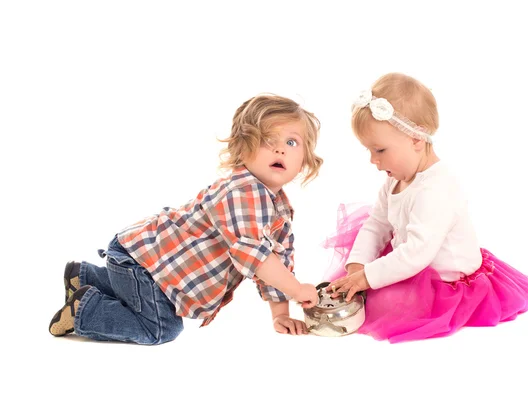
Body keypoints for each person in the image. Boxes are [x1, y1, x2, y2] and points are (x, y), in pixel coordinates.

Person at [49, 93, 323, 344]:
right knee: (161, 327)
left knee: (150, 301)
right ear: (243, 148)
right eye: (267, 141)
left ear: (305, 159)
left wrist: (280, 313)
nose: (280, 150)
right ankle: (85, 310)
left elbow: (277, 264)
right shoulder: (243, 193)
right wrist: (297, 289)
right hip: (143, 264)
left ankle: (86, 277)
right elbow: (255, 257)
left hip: (154, 270)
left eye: (291, 142)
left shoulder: (279, 209)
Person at [323, 73, 528, 344]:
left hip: (445, 282)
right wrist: (358, 266)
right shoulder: (395, 179)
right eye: (369, 151)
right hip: (413, 261)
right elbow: (376, 224)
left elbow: (416, 252)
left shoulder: (436, 188)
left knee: (386, 304)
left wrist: (368, 277)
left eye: (379, 150)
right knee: (360, 264)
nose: (373, 161)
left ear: (416, 139)